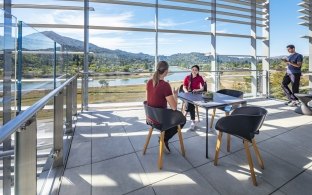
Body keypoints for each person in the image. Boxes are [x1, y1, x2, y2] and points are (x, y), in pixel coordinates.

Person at [146, 61, 185, 152]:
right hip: (160, 120)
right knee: (182, 119)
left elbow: (149, 99)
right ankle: (164, 139)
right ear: (166, 71)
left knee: (174, 116)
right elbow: (174, 107)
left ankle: (164, 138)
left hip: (150, 117)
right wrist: (175, 95)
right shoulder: (165, 85)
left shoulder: (149, 82)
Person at [182, 65, 205, 130]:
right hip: (187, 93)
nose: (194, 71)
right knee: (190, 103)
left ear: (198, 71)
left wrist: (197, 90)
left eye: (196, 70)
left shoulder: (200, 78)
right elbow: (184, 87)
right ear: (191, 70)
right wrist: (186, 92)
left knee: (190, 102)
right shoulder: (187, 77)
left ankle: (183, 118)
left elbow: (203, 88)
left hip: (196, 94)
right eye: (193, 69)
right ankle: (193, 121)